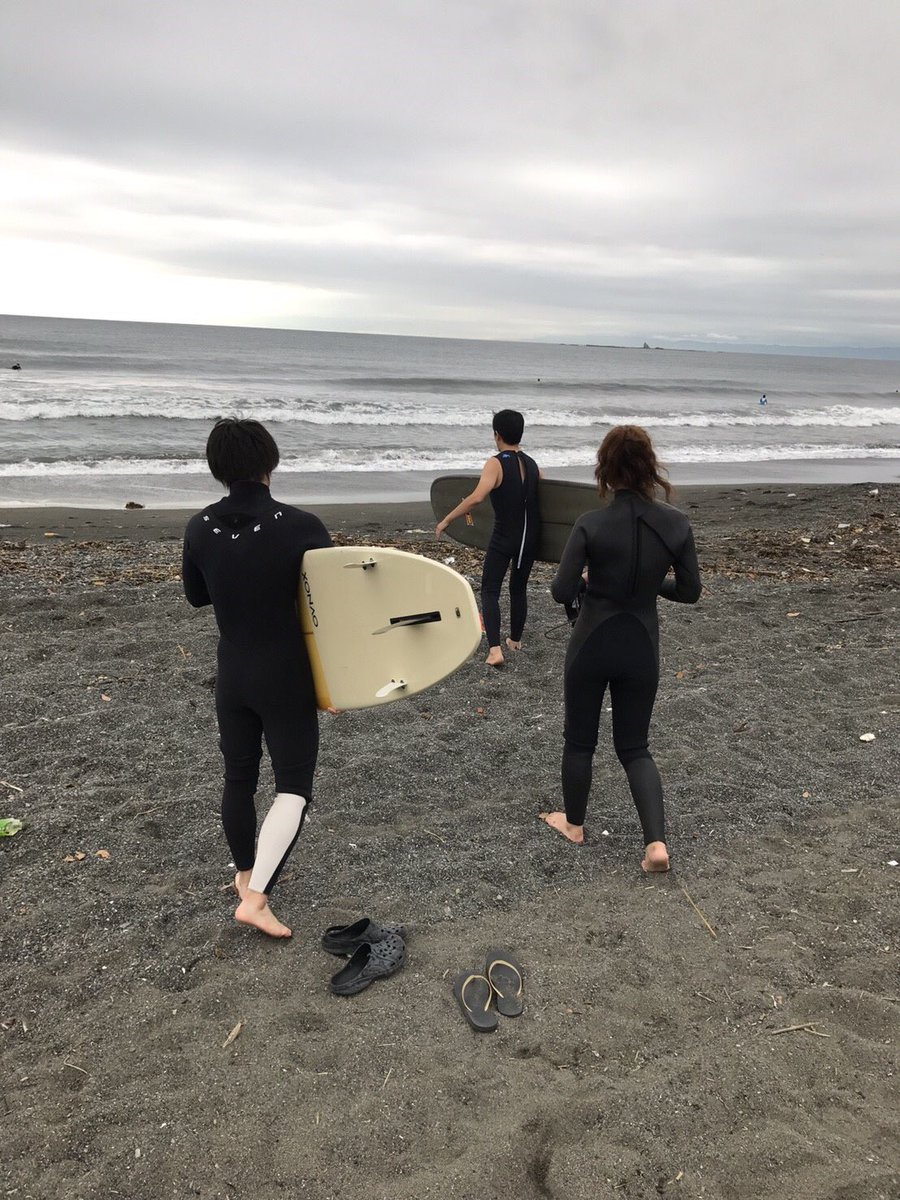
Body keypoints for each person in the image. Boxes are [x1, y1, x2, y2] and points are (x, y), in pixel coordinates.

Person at [182, 418, 332, 937]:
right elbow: (331, 608)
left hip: (233, 672)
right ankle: (257, 900)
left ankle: (246, 874)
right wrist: (337, 682)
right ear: (271, 461)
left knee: (239, 777)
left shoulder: (198, 526)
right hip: (285, 674)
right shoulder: (303, 526)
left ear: (216, 468)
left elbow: (196, 596)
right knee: (293, 786)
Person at [540, 425, 701, 872]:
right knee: (634, 747)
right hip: (641, 646)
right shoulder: (676, 523)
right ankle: (655, 845)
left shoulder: (590, 523)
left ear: (605, 469)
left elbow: (560, 590)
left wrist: (593, 581)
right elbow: (689, 591)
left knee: (579, 741)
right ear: (649, 467)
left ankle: (573, 825)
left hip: (591, 642)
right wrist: (651, 584)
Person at [435, 409, 541, 667]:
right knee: (518, 588)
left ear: (497, 435)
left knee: (490, 589)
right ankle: (515, 641)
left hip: (505, 536)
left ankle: (495, 651)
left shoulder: (496, 463)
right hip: (530, 537)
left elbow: (477, 497)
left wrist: (448, 519)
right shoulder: (532, 464)